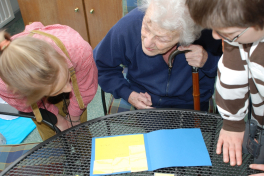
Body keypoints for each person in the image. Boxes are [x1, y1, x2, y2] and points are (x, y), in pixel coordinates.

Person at [187, 0, 264, 176]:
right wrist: (232, 121)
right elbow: (233, 72)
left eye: (229, 34)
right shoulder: (242, 21)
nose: (215, 36)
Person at [94, 0, 222, 112]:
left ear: (186, 36)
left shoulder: (210, 34)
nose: (147, 42)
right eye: (146, 27)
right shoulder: (129, 25)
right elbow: (101, 66)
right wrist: (128, 93)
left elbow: (236, 73)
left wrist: (208, 61)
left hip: (192, 104)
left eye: (162, 38)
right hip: (146, 102)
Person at [0, 22, 98, 141]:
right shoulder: (6, 86)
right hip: (38, 104)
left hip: (78, 83)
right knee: (52, 140)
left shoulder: (78, 50)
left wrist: (74, 116)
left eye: (66, 78)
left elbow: (84, 88)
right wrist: (57, 120)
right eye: (58, 88)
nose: (68, 89)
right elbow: (27, 105)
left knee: (80, 133)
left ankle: (86, 154)